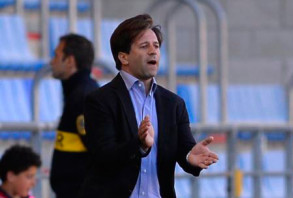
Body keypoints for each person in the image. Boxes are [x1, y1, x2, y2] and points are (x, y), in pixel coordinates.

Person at [79, 14, 218, 198]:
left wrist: (190, 157)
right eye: (144, 46)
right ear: (124, 57)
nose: (153, 51)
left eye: (156, 46)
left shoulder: (174, 104)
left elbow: (185, 149)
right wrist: (139, 145)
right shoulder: (100, 100)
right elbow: (104, 156)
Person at [49, 33, 99, 198]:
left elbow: (98, 150)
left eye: (56, 56)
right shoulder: (80, 93)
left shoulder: (83, 96)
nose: (52, 62)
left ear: (70, 61)